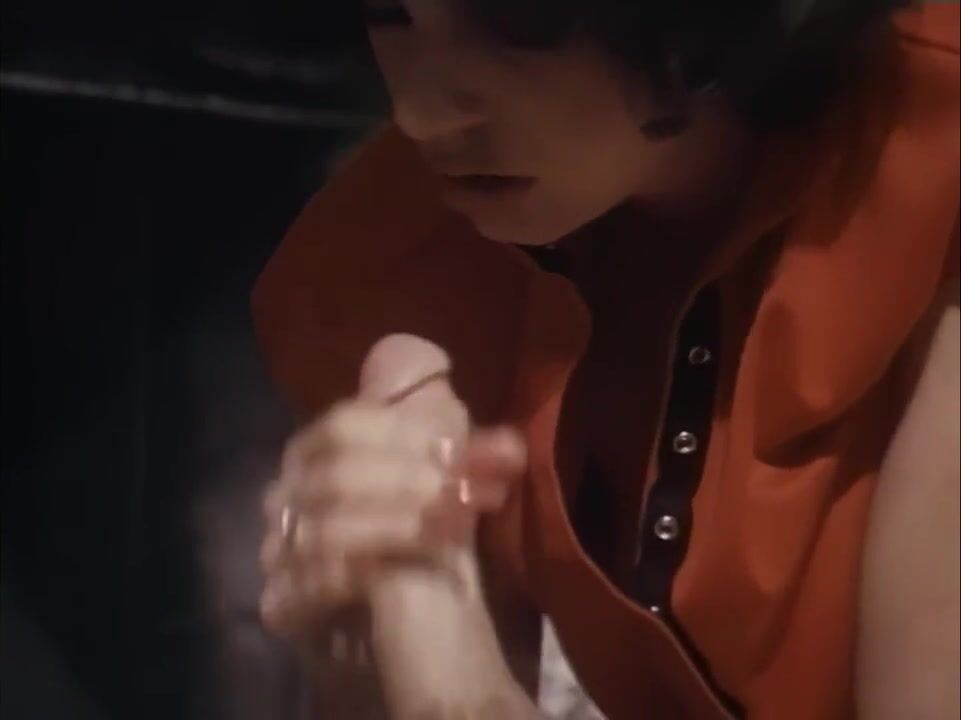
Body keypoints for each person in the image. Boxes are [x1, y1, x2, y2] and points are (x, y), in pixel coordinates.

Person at [254, 1, 960, 718]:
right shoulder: (395, 251)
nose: (417, 114)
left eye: (518, 22)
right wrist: (371, 614)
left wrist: (441, 648)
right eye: (387, 12)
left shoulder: (938, 168)